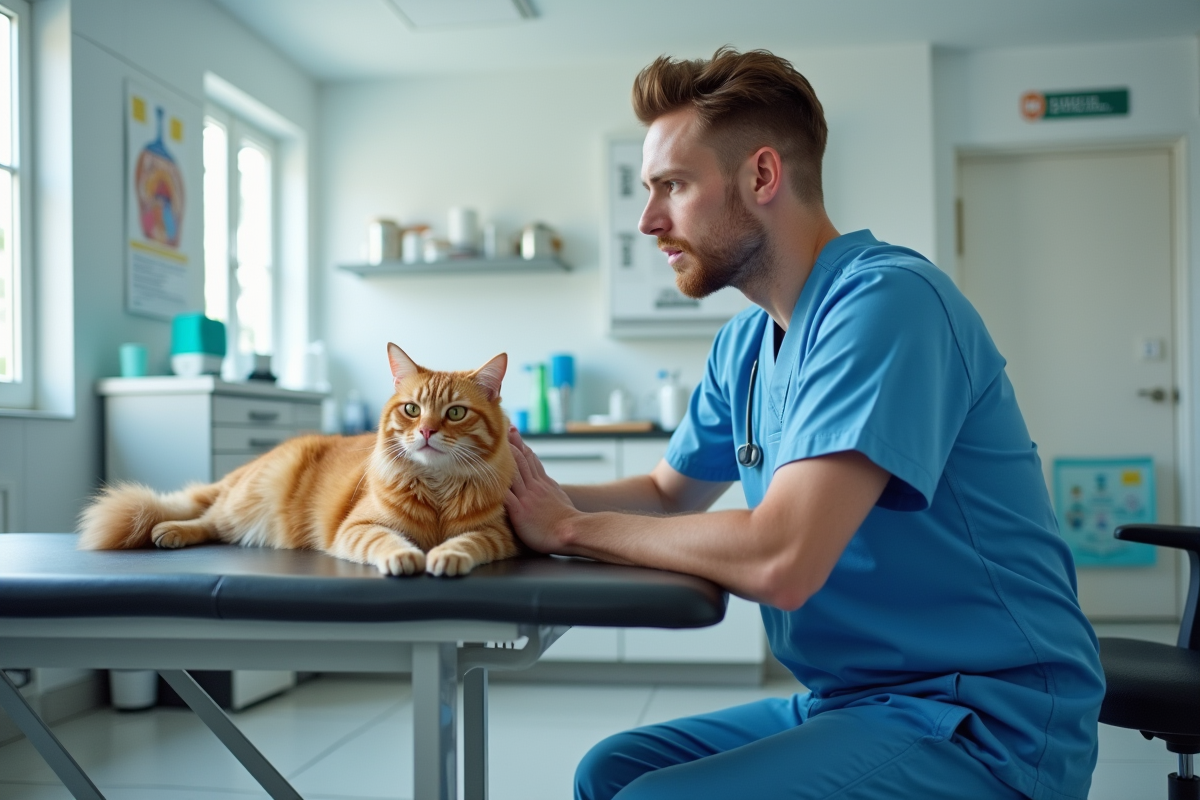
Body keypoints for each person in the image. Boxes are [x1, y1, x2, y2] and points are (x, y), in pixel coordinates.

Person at [504, 47, 1104, 800]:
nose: (648, 220)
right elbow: (666, 495)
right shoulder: (745, 345)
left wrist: (568, 529)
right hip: (854, 699)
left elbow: (782, 559)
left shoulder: (888, 304)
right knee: (612, 772)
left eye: (673, 187)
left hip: (985, 716)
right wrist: (507, 494)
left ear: (761, 176)